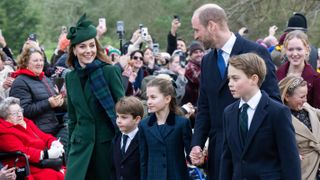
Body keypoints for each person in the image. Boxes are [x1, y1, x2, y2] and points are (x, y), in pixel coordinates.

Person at [189, 4, 281, 180]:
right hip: (218, 155)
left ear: (211, 26)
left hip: (251, 151)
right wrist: (197, 144)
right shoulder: (207, 61)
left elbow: (273, 100)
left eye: (196, 30)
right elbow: (205, 107)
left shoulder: (255, 51)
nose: (196, 36)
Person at [219, 53, 301, 179]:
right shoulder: (228, 113)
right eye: (229, 78)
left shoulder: (277, 112)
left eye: (235, 78)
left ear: (254, 79)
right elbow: (227, 158)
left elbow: (290, 160)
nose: (230, 83)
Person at [65, 14, 125, 180]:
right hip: (80, 147)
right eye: (82, 47)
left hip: (105, 146)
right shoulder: (70, 78)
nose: (88, 51)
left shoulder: (109, 71)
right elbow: (72, 118)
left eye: (92, 45)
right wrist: (70, 149)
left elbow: (123, 109)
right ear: (74, 50)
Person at [9, 46, 66, 145]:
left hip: (53, 127)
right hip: (37, 133)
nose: (39, 63)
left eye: (41, 60)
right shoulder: (20, 82)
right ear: (26, 63)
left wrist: (59, 102)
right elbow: (23, 111)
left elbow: (52, 105)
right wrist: (48, 103)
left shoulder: (44, 78)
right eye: (35, 60)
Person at [139, 78, 192, 180]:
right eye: (148, 98)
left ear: (167, 99)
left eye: (153, 97)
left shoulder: (182, 123)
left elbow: (190, 155)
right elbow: (143, 160)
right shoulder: (144, 125)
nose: (149, 102)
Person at [0, 97, 65, 180]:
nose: (19, 115)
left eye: (20, 111)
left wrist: (54, 143)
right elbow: (22, 151)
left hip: (44, 162)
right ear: (5, 116)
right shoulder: (3, 130)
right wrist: (45, 154)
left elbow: (44, 136)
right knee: (55, 175)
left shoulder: (27, 122)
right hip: (26, 166)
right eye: (14, 113)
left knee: (70, 171)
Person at [279, 76, 320, 180]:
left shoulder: (306, 106)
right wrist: (291, 153)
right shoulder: (279, 116)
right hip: (304, 171)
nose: (305, 100)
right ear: (287, 97)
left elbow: (317, 112)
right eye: (302, 97)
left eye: (306, 96)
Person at [276, 30, 320, 108]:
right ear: (286, 50)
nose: (295, 54)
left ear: (306, 50)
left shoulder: (316, 79)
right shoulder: (277, 74)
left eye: (299, 49)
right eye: (291, 49)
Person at [112, 96, 144, 180]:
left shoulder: (143, 139)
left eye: (123, 117)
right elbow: (114, 168)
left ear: (137, 119)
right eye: (117, 116)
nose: (118, 120)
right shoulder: (116, 138)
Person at [181, 41, 204, 106]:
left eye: (201, 52)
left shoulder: (200, 65)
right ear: (190, 55)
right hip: (193, 104)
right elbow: (202, 80)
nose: (199, 54)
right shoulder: (190, 67)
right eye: (196, 52)